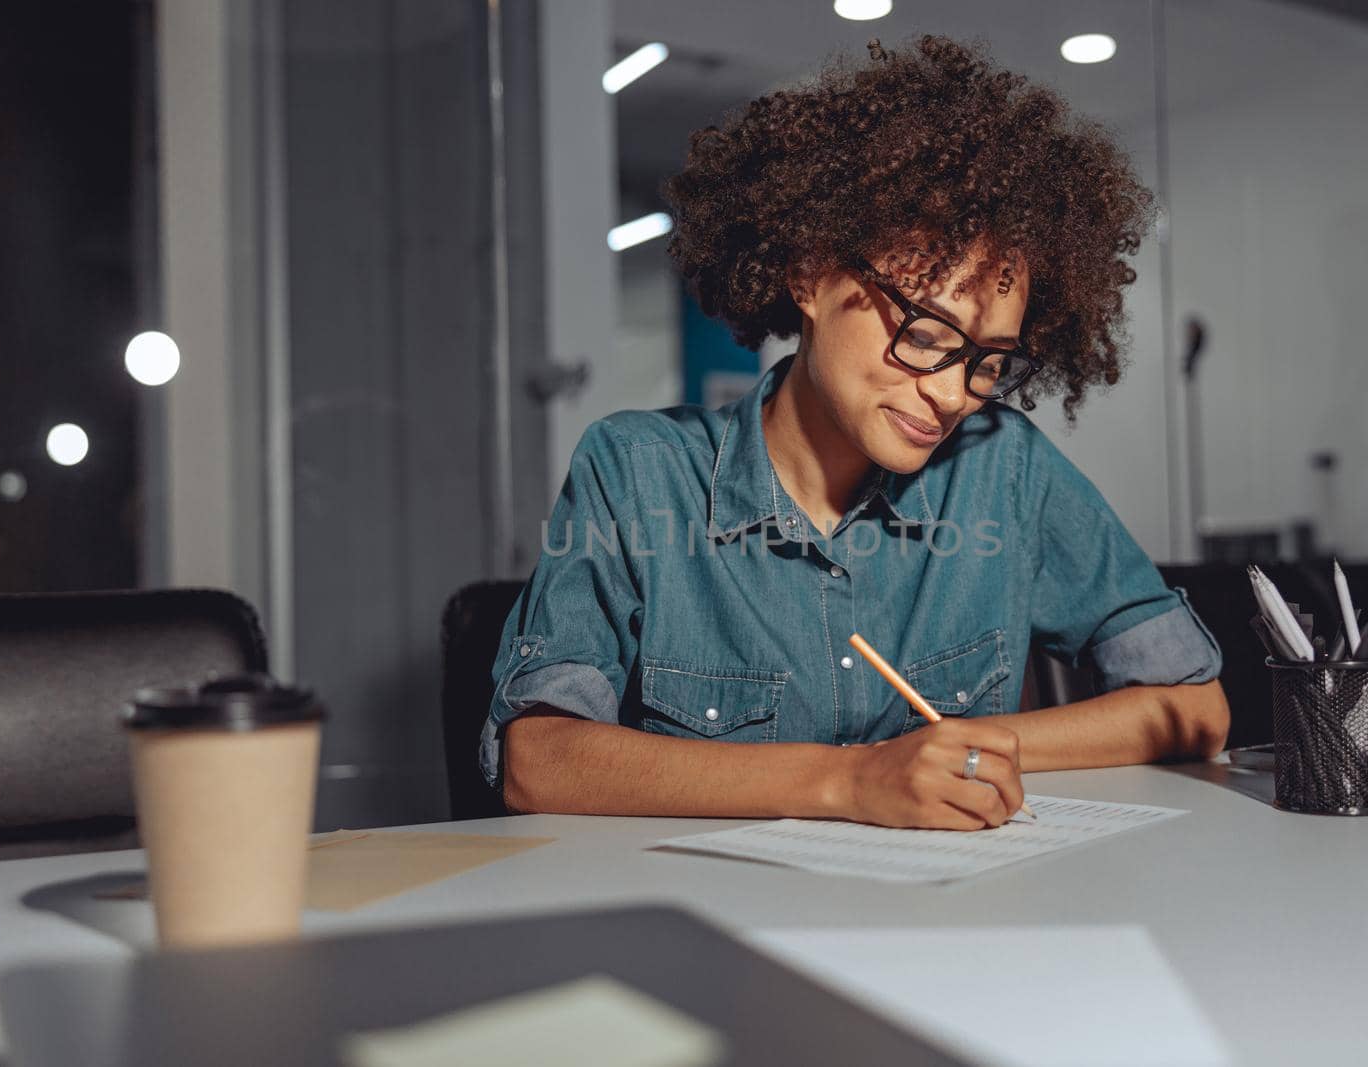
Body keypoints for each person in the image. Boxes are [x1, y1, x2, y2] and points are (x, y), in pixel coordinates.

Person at [483, 36, 1228, 831]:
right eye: (927, 333)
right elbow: (540, 760)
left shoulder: (1006, 470)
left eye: (987, 362)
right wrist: (850, 781)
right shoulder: (637, 472)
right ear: (809, 274)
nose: (950, 395)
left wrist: (968, 753)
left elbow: (1195, 707)